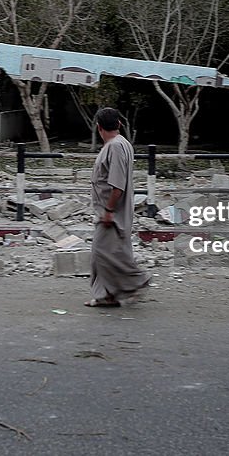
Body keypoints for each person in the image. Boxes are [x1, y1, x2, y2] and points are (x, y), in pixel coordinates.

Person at [85, 107, 150, 308]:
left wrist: (109, 211)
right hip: (111, 210)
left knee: (102, 252)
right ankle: (108, 295)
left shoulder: (115, 146)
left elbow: (117, 184)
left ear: (98, 127)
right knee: (109, 253)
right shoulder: (123, 144)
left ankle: (137, 280)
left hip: (112, 211)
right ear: (119, 124)